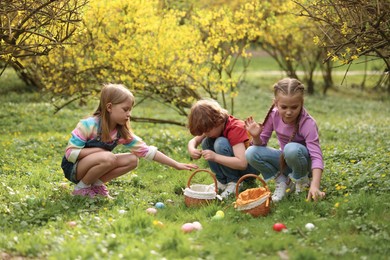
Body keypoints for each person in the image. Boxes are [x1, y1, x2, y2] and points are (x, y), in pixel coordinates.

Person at [61, 83, 198, 198]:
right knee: (108, 157)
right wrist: (98, 151)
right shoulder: (88, 125)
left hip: (95, 164)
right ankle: (81, 189)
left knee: (132, 160)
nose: (129, 114)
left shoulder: (120, 132)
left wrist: (176, 165)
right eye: (125, 109)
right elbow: (70, 153)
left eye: (130, 110)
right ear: (109, 107)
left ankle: (95, 185)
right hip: (74, 168)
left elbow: (147, 151)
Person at [245, 78, 325, 202]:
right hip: (286, 160)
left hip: (303, 163)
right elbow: (261, 144)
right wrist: (256, 137)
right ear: (276, 103)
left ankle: (303, 182)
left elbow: (316, 156)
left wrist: (315, 186)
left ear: (301, 103)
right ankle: (284, 182)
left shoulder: (307, 123)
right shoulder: (273, 115)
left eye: (294, 107)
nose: (288, 112)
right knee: (251, 152)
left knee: (291, 149)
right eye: (284, 107)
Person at [187, 99, 258, 198]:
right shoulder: (213, 126)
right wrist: (192, 149)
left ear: (218, 121)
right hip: (238, 166)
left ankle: (235, 182)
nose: (206, 134)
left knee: (220, 143)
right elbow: (193, 141)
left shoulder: (234, 128)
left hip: (249, 169)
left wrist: (215, 157)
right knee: (206, 142)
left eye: (207, 131)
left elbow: (242, 163)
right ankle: (222, 182)